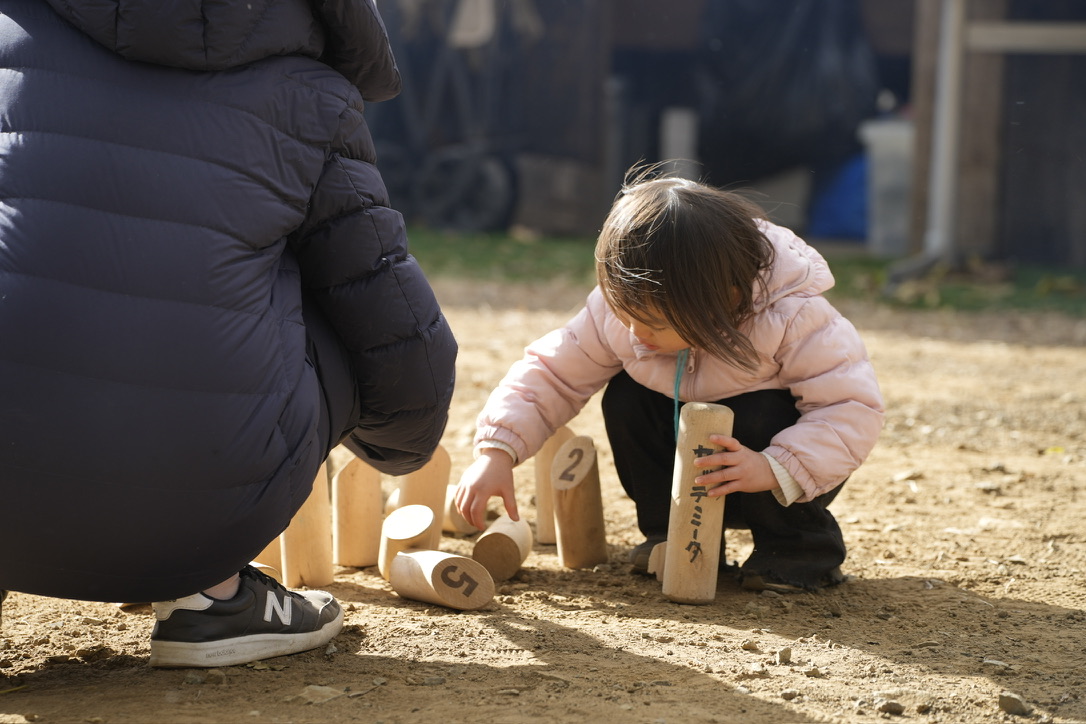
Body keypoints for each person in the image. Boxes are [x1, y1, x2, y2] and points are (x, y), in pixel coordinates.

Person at [0, 0, 456, 667]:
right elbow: (399, 342)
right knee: (325, 280)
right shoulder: (309, 92)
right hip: (190, 524)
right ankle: (210, 597)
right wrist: (396, 443)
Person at [456, 166, 883, 593]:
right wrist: (497, 451)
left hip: (774, 476)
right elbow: (550, 374)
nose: (636, 334)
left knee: (759, 411)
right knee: (627, 397)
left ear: (726, 299)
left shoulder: (793, 316)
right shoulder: (622, 313)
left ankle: (798, 549)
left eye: (654, 322)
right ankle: (672, 534)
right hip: (689, 471)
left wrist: (775, 467)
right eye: (625, 315)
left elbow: (848, 408)